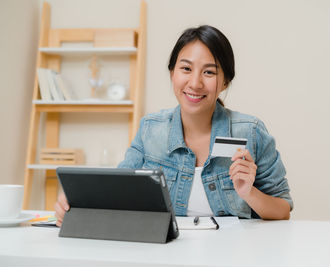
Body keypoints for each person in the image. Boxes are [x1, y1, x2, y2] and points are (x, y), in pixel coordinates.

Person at [55, 25, 293, 226]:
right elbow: (119, 191)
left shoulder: (250, 131)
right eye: (186, 69)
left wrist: (248, 192)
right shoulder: (151, 129)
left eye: (209, 72)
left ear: (225, 83)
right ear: (172, 73)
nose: (195, 82)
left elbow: (283, 208)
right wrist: (76, 204)